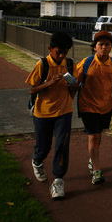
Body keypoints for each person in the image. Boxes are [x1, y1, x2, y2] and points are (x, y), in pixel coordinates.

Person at [26, 31, 77, 199]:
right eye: (58, 52)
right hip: (43, 113)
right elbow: (32, 89)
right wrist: (49, 83)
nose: (62, 55)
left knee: (62, 145)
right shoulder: (42, 64)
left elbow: (75, 86)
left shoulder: (69, 64)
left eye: (65, 52)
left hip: (64, 112)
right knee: (44, 146)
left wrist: (72, 92)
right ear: (50, 49)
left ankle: (58, 180)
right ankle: (37, 161)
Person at [76, 30, 112, 185]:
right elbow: (75, 83)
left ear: (111, 47)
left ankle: (92, 160)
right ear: (95, 47)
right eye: (101, 44)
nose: (104, 47)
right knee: (93, 135)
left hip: (106, 106)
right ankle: (96, 169)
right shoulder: (86, 63)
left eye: (107, 44)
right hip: (87, 105)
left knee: (99, 134)